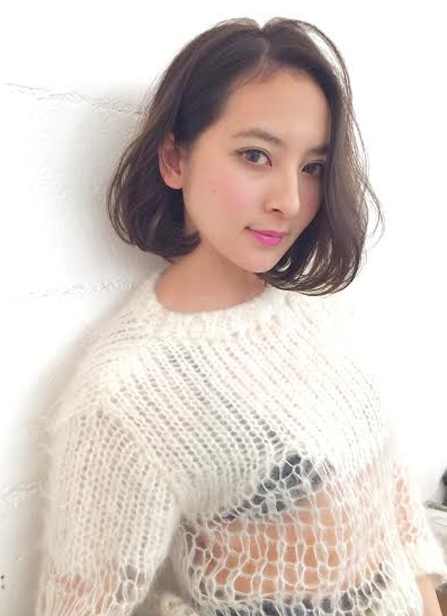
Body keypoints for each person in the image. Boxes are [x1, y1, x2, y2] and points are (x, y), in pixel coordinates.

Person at [34, 16, 447, 616]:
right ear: (174, 160)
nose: (291, 200)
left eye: (312, 166)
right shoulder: (126, 395)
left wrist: (428, 596)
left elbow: (392, 499)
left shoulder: (314, 306)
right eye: (256, 155)